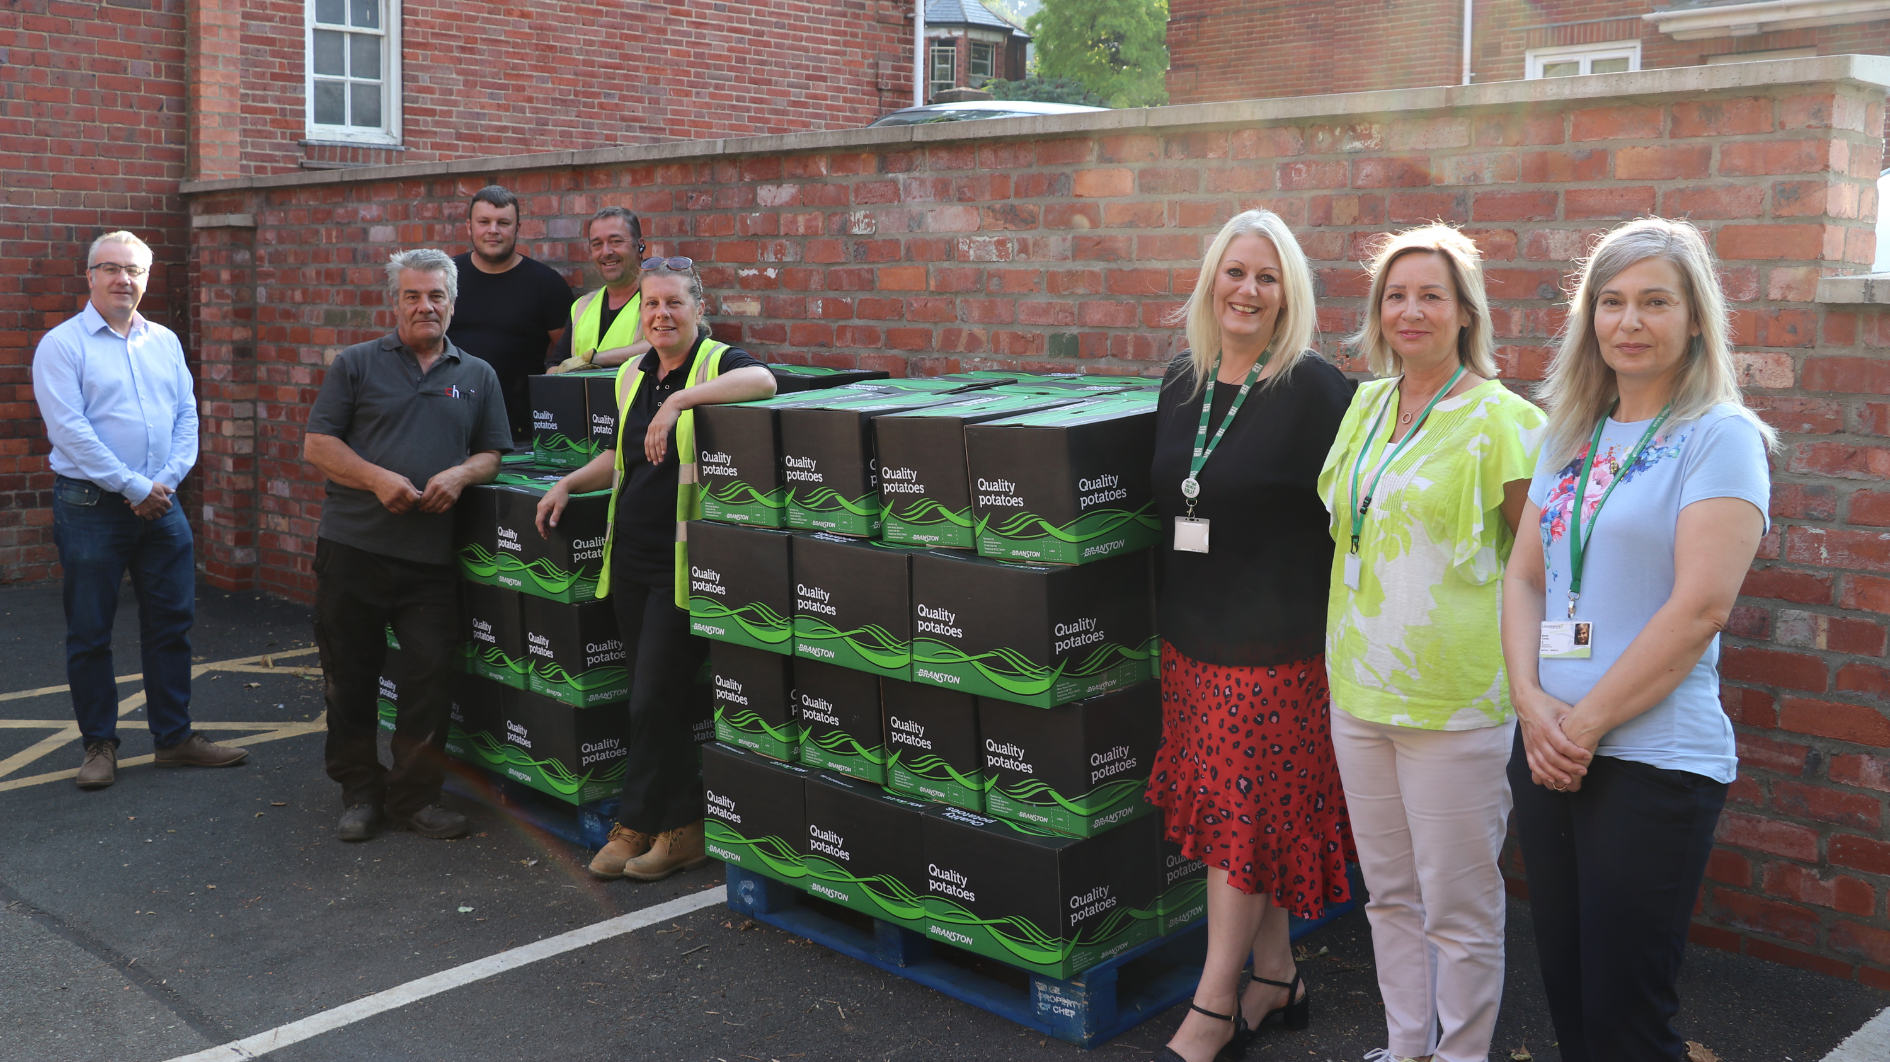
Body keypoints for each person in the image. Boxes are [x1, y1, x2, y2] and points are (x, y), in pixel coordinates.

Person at [1501, 217, 1773, 1062]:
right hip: (1548, 747)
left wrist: (1580, 727)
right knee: (1573, 998)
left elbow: (1701, 608)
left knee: (1627, 1018)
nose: (1630, 321)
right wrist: (1532, 706)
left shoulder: (1720, 436)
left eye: (1655, 301)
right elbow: (1523, 579)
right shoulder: (1568, 434)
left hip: (1651, 759)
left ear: (1696, 319)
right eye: (1611, 302)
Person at [1316, 224, 1544, 1062]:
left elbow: (1541, 566)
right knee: (1389, 895)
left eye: (1431, 295)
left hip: (1457, 700)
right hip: (1359, 688)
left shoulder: (1506, 422)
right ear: (1378, 312)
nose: (1410, 310)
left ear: (1464, 312)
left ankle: (1461, 1055)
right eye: (1396, 295)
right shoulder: (1366, 403)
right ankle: (1405, 1046)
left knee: (1458, 902)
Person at [1146, 209, 1357, 1062]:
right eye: (1236, 272)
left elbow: (1354, 519)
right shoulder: (1182, 380)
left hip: (1276, 652)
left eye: (1268, 278)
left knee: (1240, 826)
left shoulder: (1314, 389)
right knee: (1246, 822)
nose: (1248, 290)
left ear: (1288, 295)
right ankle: (1276, 977)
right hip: (1191, 642)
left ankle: (1215, 1003)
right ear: (1211, 280)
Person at [536, 257, 776, 881]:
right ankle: (660, 825)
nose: (662, 315)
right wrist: (567, 482)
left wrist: (681, 405)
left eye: (674, 303)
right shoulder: (634, 374)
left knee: (651, 700)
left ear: (700, 307)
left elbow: (766, 385)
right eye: (651, 305)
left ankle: (660, 823)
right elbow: (618, 453)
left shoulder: (716, 362)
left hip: (683, 564)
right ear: (639, 313)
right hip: (632, 559)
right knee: (655, 700)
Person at [304, 248, 512, 842]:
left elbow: (493, 452)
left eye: (436, 296)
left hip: (428, 559)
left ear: (452, 302)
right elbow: (318, 445)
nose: (425, 306)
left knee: (428, 680)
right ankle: (360, 794)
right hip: (353, 548)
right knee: (349, 678)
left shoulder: (477, 375)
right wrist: (376, 478)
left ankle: (414, 799)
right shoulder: (357, 364)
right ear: (394, 301)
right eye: (413, 296)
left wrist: (460, 475)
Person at [33, 230, 250, 789]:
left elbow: (186, 415)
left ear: (146, 278)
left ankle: (174, 739)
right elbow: (70, 432)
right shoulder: (62, 345)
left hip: (162, 504)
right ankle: (99, 745)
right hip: (91, 505)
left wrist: (166, 481)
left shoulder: (166, 342)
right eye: (110, 268)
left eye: (133, 270)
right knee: (90, 631)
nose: (122, 279)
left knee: (172, 626)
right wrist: (133, 486)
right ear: (90, 276)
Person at [447, 185, 576, 441]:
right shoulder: (445, 277)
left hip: (519, 432)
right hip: (448, 424)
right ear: (469, 226)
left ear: (518, 227)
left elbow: (567, 360)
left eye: (503, 222)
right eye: (484, 221)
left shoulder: (546, 285)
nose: (493, 230)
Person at [546, 206, 654, 373]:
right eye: (597, 244)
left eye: (616, 241)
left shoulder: (660, 299)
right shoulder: (581, 307)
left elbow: (668, 345)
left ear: (640, 245)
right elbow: (555, 365)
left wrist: (592, 360)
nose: (606, 252)